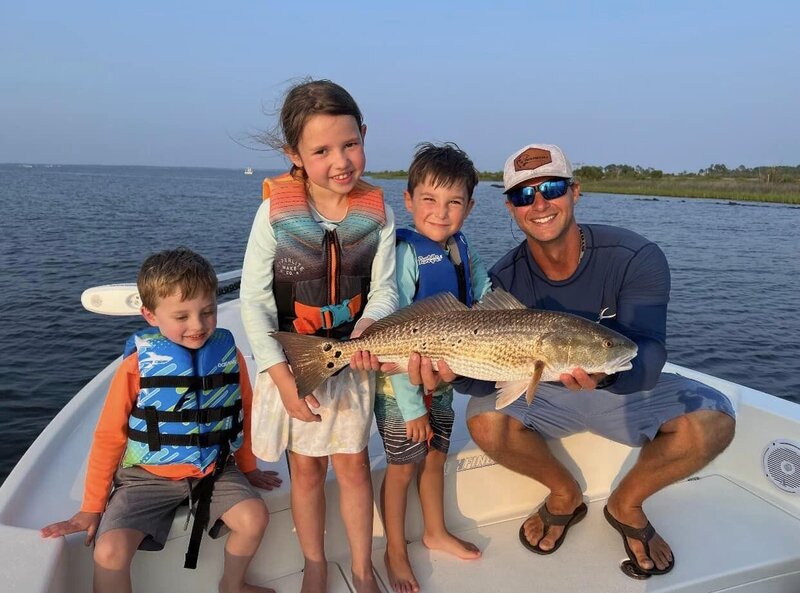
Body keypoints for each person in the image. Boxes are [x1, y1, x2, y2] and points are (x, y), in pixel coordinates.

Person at [406, 143, 736, 577]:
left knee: (715, 420)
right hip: (541, 390)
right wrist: (451, 376)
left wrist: (605, 377)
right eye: (525, 195)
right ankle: (564, 492)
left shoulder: (635, 257)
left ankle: (626, 503)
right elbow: (486, 377)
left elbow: (649, 350)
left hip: (622, 389)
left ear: (575, 192)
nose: (540, 204)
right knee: (484, 420)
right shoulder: (501, 280)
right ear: (511, 208)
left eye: (553, 189)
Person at [40, 247, 282, 593]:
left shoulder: (229, 356)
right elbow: (110, 435)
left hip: (213, 470)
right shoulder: (136, 366)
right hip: (146, 478)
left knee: (254, 517)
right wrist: (92, 507)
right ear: (150, 315)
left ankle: (233, 585)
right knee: (109, 551)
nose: (198, 325)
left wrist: (248, 467)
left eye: (208, 311)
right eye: (182, 317)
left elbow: (242, 412)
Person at [240, 79, 398, 593]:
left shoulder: (380, 214)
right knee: (305, 473)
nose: (341, 161)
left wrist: (370, 330)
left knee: (353, 467)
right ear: (295, 155)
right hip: (294, 363)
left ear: (364, 134)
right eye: (322, 150)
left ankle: (360, 565)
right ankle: (313, 561)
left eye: (350, 144)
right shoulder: (274, 213)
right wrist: (282, 380)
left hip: (351, 361)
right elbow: (255, 301)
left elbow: (386, 289)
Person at [375, 142, 490, 593]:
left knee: (436, 457)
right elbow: (396, 335)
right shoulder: (405, 256)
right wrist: (412, 407)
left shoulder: (463, 250)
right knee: (402, 466)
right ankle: (394, 550)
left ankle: (435, 531)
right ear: (408, 201)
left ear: (469, 207)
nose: (440, 213)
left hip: (444, 376)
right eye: (429, 200)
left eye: (453, 203)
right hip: (401, 383)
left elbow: (485, 297)